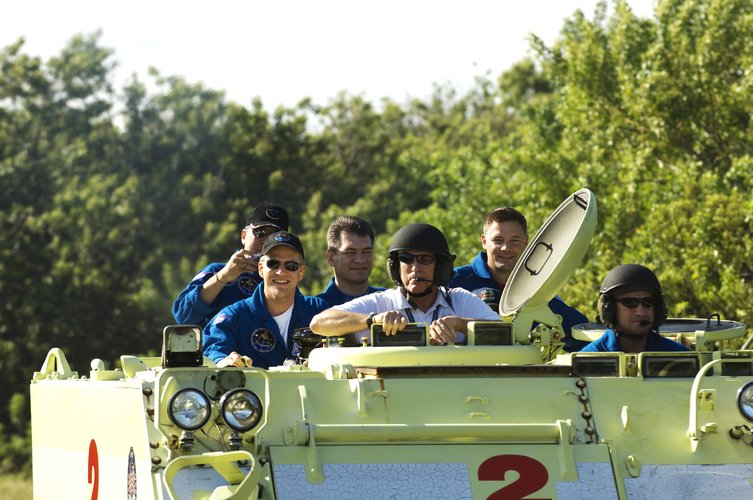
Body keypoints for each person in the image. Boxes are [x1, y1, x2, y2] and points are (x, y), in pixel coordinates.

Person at [310, 223, 500, 345]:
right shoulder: (381, 303)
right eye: (406, 259)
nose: (414, 268)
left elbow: (504, 332)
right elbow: (318, 323)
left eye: (424, 259)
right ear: (395, 266)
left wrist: (459, 324)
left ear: (440, 266)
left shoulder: (458, 299)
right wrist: (372, 320)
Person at [449, 207, 589, 351]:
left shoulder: (539, 292)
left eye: (514, 240)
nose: (505, 248)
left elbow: (583, 336)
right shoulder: (455, 282)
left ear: (526, 242)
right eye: (498, 240)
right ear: (484, 241)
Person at [202, 231, 329, 368]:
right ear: (261, 269)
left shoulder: (318, 311)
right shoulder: (234, 317)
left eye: (291, 266)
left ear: (301, 272)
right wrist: (225, 361)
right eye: (273, 264)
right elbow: (213, 350)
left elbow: (344, 349)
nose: (281, 272)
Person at [172, 202, 288, 327]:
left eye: (274, 236)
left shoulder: (286, 279)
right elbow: (183, 315)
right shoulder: (215, 271)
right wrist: (223, 277)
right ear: (243, 236)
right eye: (260, 232)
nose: (266, 240)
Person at [581, 264, 688, 353]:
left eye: (648, 302)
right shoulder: (587, 359)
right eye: (630, 302)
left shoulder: (679, 356)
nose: (640, 312)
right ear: (609, 308)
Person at [317, 215, 385, 306]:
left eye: (366, 251)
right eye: (350, 252)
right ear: (331, 257)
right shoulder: (315, 309)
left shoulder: (389, 301)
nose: (360, 260)